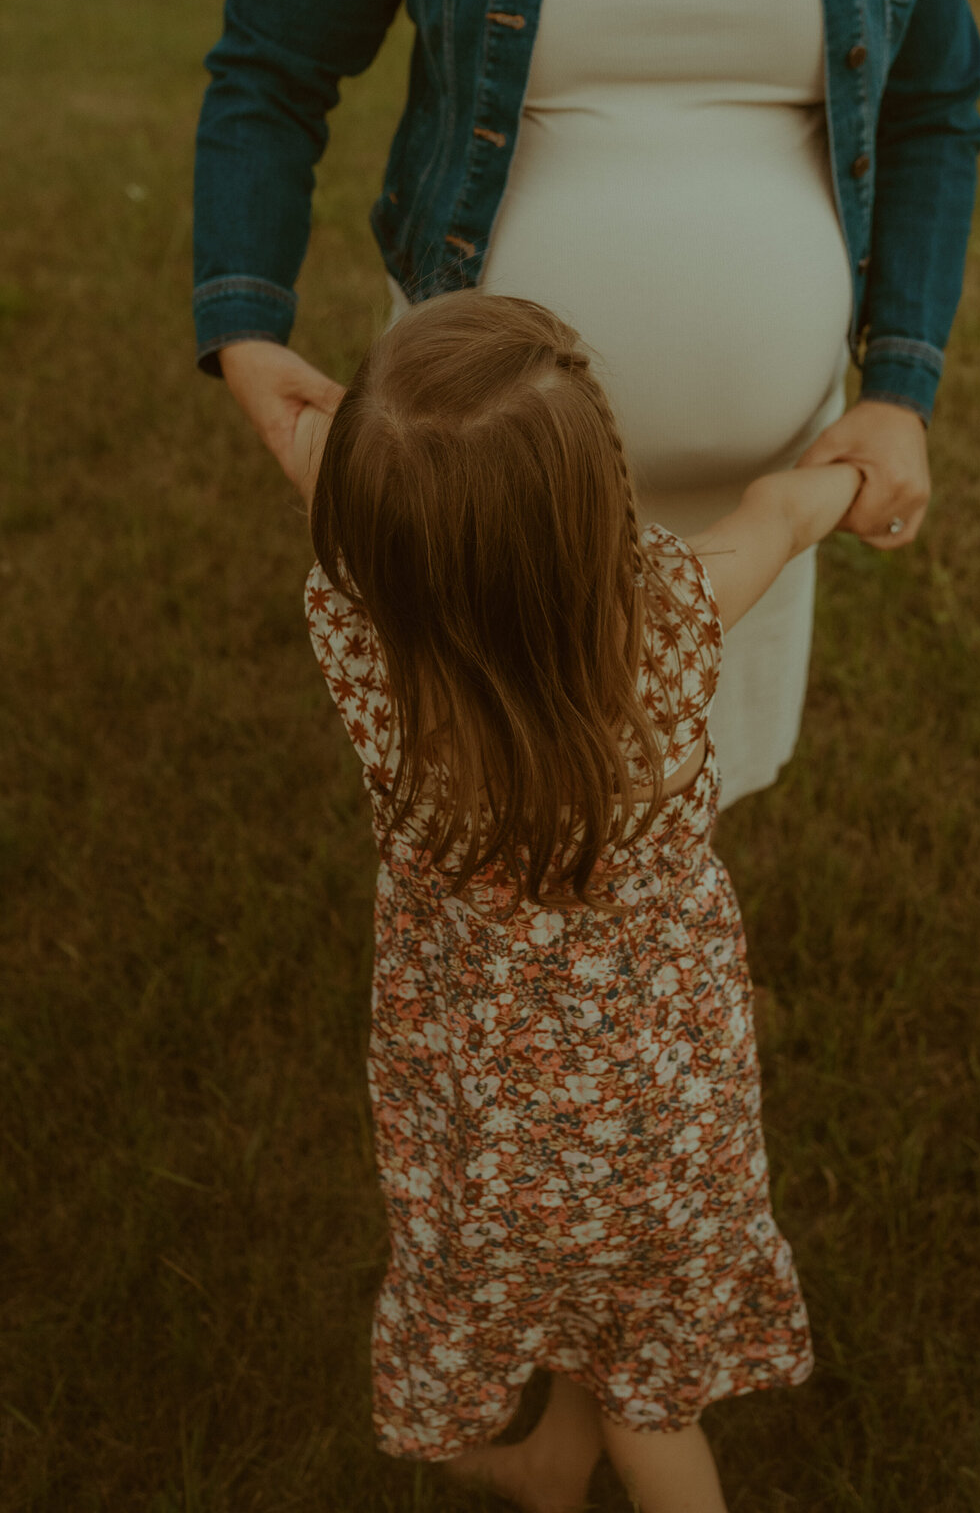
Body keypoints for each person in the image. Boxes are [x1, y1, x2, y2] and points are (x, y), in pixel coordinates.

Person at [195, 0, 980, 811]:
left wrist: (901, 385)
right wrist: (245, 330)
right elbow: (270, 69)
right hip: (482, 485)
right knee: (475, 838)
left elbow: (934, 105)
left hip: (745, 492)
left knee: (676, 835)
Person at [294, 288, 862, 1512]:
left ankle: (554, 1459)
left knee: (565, 1303)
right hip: (666, 1118)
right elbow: (778, 513)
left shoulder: (371, 658)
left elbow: (360, 520)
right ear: (604, 496)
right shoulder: (670, 618)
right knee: (651, 1398)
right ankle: (586, 1457)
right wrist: (858, 472)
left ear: (374, 552)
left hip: (497, 1140)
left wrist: (318, 432)